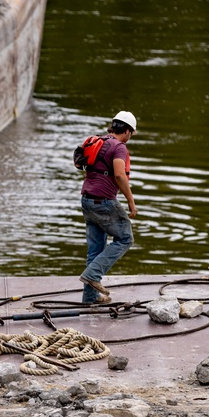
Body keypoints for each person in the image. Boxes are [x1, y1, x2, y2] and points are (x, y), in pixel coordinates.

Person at [79, 111, 138, 304]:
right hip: (104, 201)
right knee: (125, 238)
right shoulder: (119, 147)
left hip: (87, 199)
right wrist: (130, 200)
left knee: (95, 249)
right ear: (128, 131)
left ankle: (89, 298)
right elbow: (120, 175)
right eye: (132, 133)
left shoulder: (100, 142)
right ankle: (92, 274)